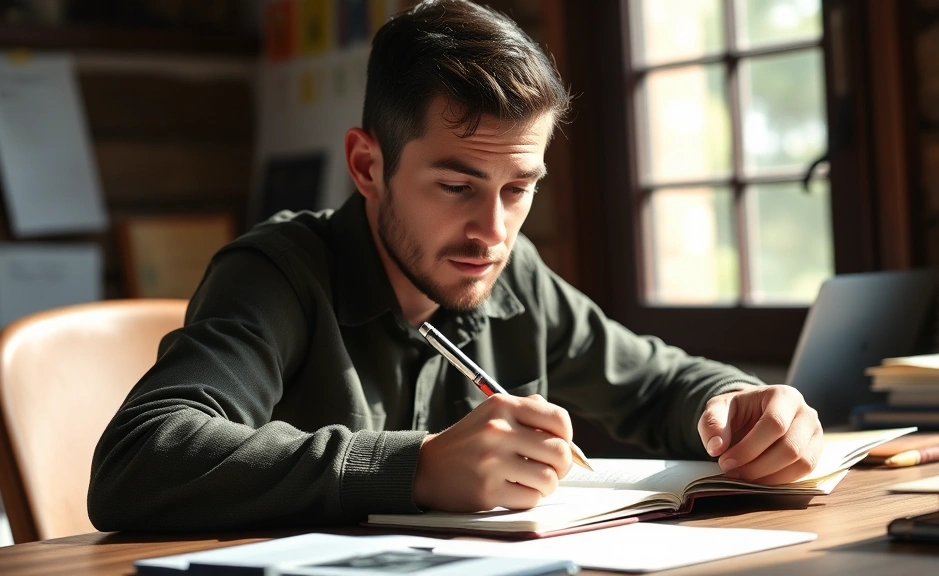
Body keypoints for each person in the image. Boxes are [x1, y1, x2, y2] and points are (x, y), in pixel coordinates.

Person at [88, 0, 822, 531]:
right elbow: (140, 458)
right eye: (456, 186)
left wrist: (739, 408)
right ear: (367, 164)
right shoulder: (276, 275)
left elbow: (659, 382)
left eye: (519, 189)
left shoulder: (513, 275)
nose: (492, 232)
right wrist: (419, 469)